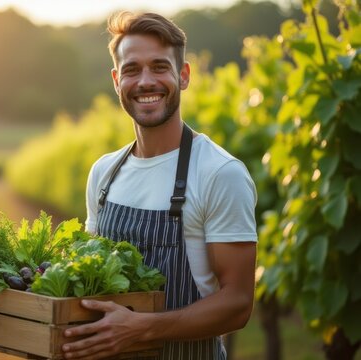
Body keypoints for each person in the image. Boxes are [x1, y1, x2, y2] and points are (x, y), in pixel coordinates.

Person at [61, 11, 258, 360]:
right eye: (132, 70)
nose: (145, 81)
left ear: (183, 76)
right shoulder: (103, 173)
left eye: (159, 67)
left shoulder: (219, 173)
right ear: (116, 79)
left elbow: (238, 304)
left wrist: (142, 328)